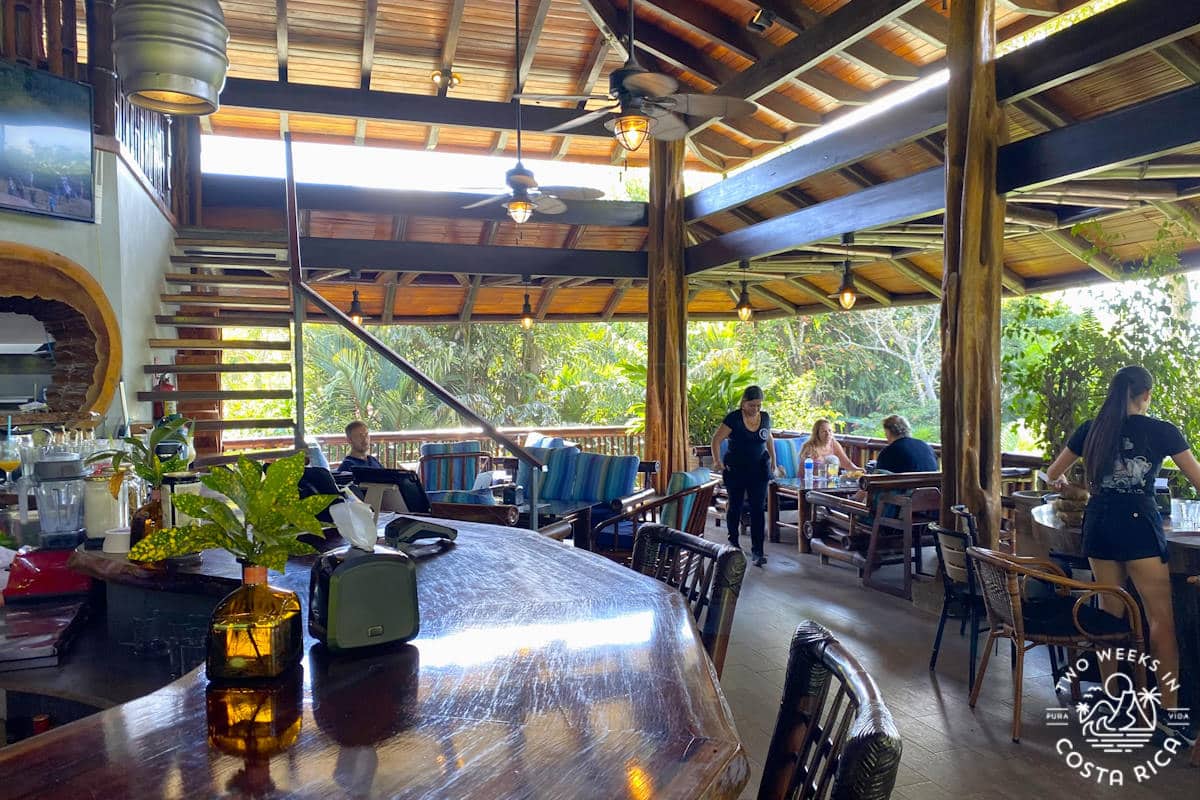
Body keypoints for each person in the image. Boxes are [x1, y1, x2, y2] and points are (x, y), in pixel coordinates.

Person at [1046, 365, 1200, 711]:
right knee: (1160, 618)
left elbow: (1053, 474)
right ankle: (1169, 708)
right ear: (1145, 395)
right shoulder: (1162, 431)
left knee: (1110, 613)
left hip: (1099, 521)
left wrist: (1072, 488)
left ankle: (1113, 699)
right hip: (1138, 524)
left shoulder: (1091, 429)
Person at [711, 386, 778, 567]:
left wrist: (773, 459)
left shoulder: (765, 417)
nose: (755, 409)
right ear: (743, 403)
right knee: (736, 505)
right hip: (737, 468)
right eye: (751, 405)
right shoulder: (734, 418)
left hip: (759, 469)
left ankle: (758, 551)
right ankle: (733, 542)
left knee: (757, 508)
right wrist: (717, 460)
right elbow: (716, 439)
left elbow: (769, 438)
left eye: (758, 405)